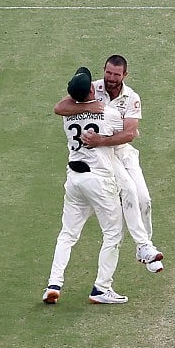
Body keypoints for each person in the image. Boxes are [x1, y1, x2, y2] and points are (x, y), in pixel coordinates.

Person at [53, 54, 164, 275]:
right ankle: (143, 246)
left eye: (116, 74)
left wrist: (101, 139)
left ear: (125, 75)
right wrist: (91, 106)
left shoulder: (131, 97)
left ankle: (145, 247)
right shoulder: (92, 88)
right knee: (129, 191)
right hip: (105, 157)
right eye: (108, 73)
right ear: (103, 70)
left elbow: (130, 133)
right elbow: (60, 107)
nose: (111, 78)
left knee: (144, 198)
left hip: (122, 151)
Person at [43, 67, 129, 305]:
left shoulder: (68, 114)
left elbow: (63, 105)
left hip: (74, 180)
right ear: (92, 89)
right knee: (112, 234)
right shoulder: (109, 113)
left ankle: (54, 284)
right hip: (99, 180)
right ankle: (102, 288)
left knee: (67, 234)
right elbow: (128, 133)